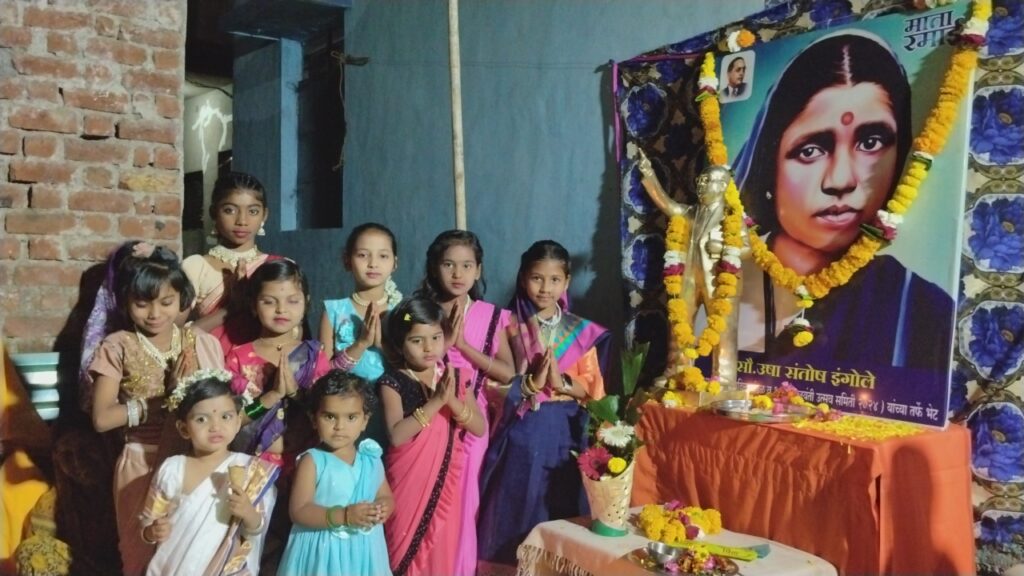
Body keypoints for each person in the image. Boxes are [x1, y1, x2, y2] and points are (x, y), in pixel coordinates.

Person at [733, 30, 953, 367]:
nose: (841, 180)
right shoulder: (717, 283)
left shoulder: (922, 309)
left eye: (871, 143)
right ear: (768, 164)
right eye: (810, 150)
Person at [88, 246, 224, 575]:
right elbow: (102, 419)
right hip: (142, 462)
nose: (154, 313)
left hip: (195, 462)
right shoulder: (117, 346)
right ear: (125, 301)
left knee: (193, 555)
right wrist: (166, 398)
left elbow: (220, 406)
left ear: (183, 299)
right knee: (141, 555)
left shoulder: (201, 343)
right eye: (142, 303)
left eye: (166, 302)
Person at [477, 240, 611, 572]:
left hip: (566, 433)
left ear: (566, 282)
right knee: (515, 504)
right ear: (523, 278)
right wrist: (528, 385)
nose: (545, 288)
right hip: (521, 431)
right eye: (537, 278)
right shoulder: (506, 326)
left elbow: (593, 388)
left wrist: (560, 381)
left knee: (560, 504)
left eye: (554, 280)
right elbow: (490, 384)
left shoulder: (581, 331)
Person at [414, 230, 514, 575]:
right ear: (434, 267)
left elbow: (507, 371)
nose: (458, 274)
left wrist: (462, 347)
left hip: (472, 421)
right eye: (448, 264)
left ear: (478, 270)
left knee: (463, 502)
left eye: (467, 265)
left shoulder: (491, 315)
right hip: (426, 415)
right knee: (426, 499)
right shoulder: (418, 310)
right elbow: (401, 338)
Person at [379, 297, 485, 576]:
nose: (428, 347)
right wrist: (436, 402)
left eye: (436, 337)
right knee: (402, 552)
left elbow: (479, 427)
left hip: (445, 484)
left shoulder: (455, 377)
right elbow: (396, 436)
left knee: (441, 551)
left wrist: (451, 402)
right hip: (408, 482)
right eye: (417, 340)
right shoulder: (392, 382)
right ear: (400, 344)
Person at [140, 370, 277, 575]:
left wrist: (248, 513)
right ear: (183, 428)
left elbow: (257, 528)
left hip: (225, 568)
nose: (215, 426)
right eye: (202, 420)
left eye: (225, 417)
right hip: (173, 566)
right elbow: (149, 520)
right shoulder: (173, 468)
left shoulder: (250, 470)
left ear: (238, 422)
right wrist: (152, 532)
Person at [278, 370, 393, 576]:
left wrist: (384, 507)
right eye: (330, 416)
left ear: (365, 420)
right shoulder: (313, 461)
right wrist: (345, 516)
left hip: (363, 551)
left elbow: (385, 495)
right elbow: (299, 511)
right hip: (323, 554)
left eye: (351, 417)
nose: (340, 426)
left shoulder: (371, 459)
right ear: (314, 419)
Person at [226, 259, 330, 467]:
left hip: (306, 465)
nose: (281, 309)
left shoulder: (314, 356)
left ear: (306, 303)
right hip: (252, 466)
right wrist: (271, 396)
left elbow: (327, 411)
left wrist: (296, 394)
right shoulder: (237, 358)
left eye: (292, 301)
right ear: (253, 305)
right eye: (269, 302)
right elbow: (229, 419)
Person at [320, 222, 403, 446]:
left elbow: (415, 366)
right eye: (363, 255)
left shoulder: (404, 313)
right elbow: (322, 375)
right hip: (345, 418)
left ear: (395, 263)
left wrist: (382, 344)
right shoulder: (333, 312)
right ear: (347, 260)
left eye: (383, 256)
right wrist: (361, 344)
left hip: (394, 414)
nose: (373, 263)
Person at [183, 172, 279, 354]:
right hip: (211, 364)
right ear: (214, 213)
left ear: (264, 215)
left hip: (266, 366)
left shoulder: (277, 267)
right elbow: (175, 336)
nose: (242, 221)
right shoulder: (196, 267)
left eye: (253, 211)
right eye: (230, 210)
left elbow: (295, 335)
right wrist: (232, 308)